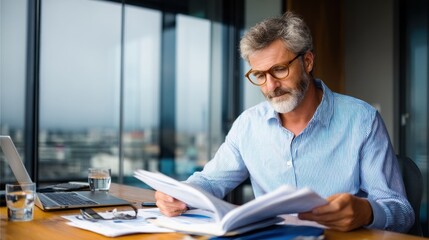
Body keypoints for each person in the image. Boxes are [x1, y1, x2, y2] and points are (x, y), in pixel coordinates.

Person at [154, 11, 414, 233]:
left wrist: (367, 212)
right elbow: (210, 182)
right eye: (259, 75)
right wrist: (180, 194)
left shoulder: (362, 120)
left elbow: (401, 211)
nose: (271, 86)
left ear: (308, 61)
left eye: (279, 70)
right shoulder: (248, 125)